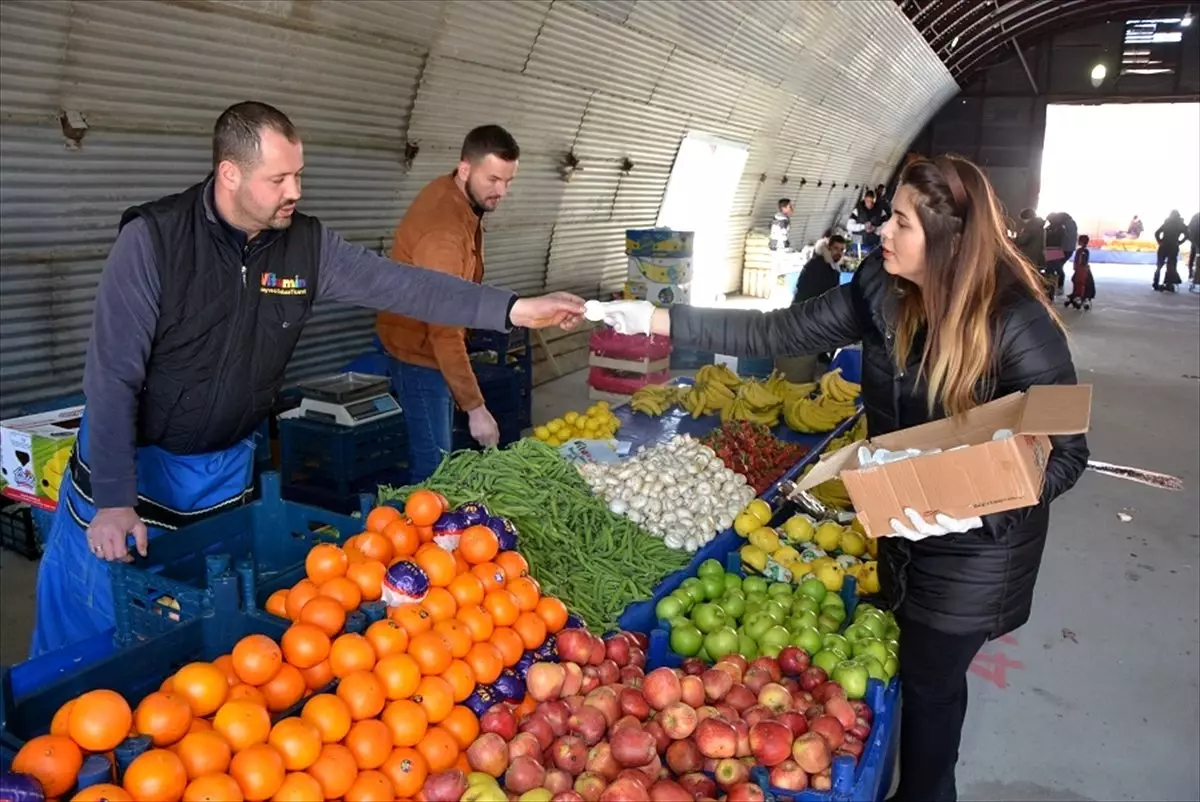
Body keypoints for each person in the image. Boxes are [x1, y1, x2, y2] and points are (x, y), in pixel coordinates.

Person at [599, 155, 1089, 802]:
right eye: (889, 215)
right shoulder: (882, 292)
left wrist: (978, 512)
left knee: (931, 684)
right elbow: (778, 328)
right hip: (901, 525)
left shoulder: (1017, 322)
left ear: (946, 240)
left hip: (978, 554)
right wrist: (662, 321)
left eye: (902, 222)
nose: (883, 230)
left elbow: (1068, 450)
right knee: (916, 669)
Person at [30, 102, 585, 656]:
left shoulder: (305, 246)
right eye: (279, 179)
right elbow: (111, 377)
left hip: (223, 473)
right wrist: (112, 499)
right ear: (230, 173)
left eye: (298, 174)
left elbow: (406, 286)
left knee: (195, 635)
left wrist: (512, 310)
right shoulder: (155, 241)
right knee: (92, 633)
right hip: (136, 471)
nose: (295, 190)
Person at [376, 125, 520, 481]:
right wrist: (476, 408)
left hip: (424, 344)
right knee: (434, 468)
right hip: (419, 354)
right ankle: (411, 530)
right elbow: (444, 330)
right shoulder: (443, 231)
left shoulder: (460, 198)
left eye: (508, 181)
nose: (501, 191)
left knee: (437, 457)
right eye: (493, 179)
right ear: (465, 169)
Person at [775, 234, 847, 382]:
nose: (838, 253)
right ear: (828, 248)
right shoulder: (817, 266)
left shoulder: (832, 267)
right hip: (805, 314)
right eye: (835, 249)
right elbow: (808, 292)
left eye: (841, 250)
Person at [1153, 210, 1189, 292]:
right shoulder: (1180, 224)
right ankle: (1169, 284)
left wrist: (1160, 241)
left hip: (1164, 245)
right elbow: (1187, 235)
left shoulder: (1167, 222)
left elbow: (1157, 233)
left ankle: (1155, 283)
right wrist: (1179, 242)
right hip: (1173, 246)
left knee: (1159, 266)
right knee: (1171, 265)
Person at [1066, 234, 1094, 310]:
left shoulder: (1081, 251)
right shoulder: (1084, 251)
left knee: (1079, 282)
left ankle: (1078, 296)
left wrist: (1077, 267)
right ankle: (1077, 296)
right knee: (1077, 281)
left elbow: (1080, 261)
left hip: (1081, 270)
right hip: (1082, 269)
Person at [1186, 212, 1199, 282]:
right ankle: (1194, 275)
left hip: (1194, 241)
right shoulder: (1196, 216)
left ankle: (1191, 274)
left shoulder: (1195, 216)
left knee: (1193, 257)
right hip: (1196, 241)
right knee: (1195, 257)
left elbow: (1188, 228)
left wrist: (1191, 239)